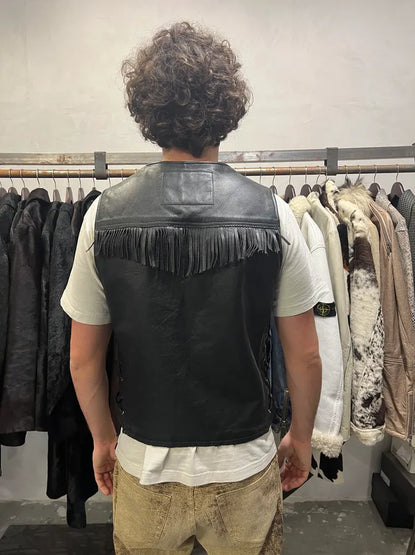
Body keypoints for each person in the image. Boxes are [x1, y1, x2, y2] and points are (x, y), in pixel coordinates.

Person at [61, 21, 322, 554]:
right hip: (244, 463)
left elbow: (83, 360)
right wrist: (300, 437)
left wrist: (104, 440)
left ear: (148, 113)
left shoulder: (102, 218)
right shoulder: (272, 215)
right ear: (227, 108)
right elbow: (306, 355)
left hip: (144, 462)